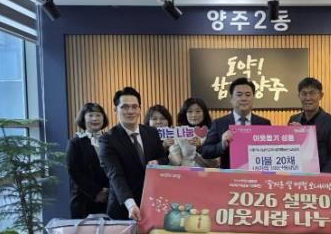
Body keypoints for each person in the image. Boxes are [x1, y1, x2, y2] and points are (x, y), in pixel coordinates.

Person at [99, 87, 168, 220]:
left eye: (134, 107)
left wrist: (158, 162)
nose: (130, 111)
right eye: (124, 107)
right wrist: (130, 204)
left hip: (153, 203)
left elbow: (164, 158)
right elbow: (115, 175)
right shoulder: (107, 140)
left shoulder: (152, 132)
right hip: (124, 208)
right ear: (115, 110)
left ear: (139, 109)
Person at [201, 77, 271, 169]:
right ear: (231, 99)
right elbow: (205, 152)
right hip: (230, 175)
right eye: (239, 95)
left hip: (256, 173)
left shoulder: (264, 123)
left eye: (248, 95)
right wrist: (222, 144)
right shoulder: (219, 123)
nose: (244, 98)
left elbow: (271, 150)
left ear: (253, 98)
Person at [288, 77, 331, 173]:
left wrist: (323, 175)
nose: (308, 98)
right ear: (299, 96)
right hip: (296, 175)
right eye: (304, 94)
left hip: (322, 175)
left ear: (321, 95)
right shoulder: (293, 119)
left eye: (312, 93)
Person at [67, 103, 110, 219]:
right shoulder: (75, 142)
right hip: (84, 200)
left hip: (110, 199)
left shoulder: (110, 140)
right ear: (83, 118)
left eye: (98, 115)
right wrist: (96, 192)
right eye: (90, 115)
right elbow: (74, 172)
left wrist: (108, 190)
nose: (95, 119)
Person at [169, 97, 219, 167]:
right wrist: (172, 148)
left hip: (205, 173)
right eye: (190, 111)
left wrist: (201, 148)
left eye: (198, 111)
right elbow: (174, 163)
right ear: (185, 114)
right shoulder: (179, 133)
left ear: (204, 114)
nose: (194, 115)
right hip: (184, 172)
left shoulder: (212, 133)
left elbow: (216, 163)